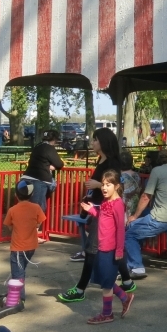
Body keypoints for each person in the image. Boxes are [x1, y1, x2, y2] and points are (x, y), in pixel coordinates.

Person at [58, 128, 130, 302]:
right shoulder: (101, 160)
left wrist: (98, 185)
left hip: (105, 211)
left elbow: (116, 185)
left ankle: (80, 289)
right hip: (96, 208)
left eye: (95, 140)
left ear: (103, 142)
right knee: (100, 249)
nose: (92, 143)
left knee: (91, 250)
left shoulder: (112, 162)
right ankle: (126, 282)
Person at [80, 170, 133, 324]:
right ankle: (125, 297)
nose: (104, 188)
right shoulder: (105, 202)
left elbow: (121, 229)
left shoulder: (117, 204)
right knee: (103, 279)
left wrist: (119, 250)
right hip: (101, 247)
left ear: (116, 186)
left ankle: (107, 313)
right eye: (103, 184)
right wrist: (92, 210)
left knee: (106, 284)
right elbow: (103, 217)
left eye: (108, 185)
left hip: (111, 249)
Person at [125, 149, 167, 278]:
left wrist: (134, 215)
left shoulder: (157, 171)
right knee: (133, 227)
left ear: (157, 159)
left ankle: (136, 267)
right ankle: (131, 262)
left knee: (130, 233)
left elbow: (146, 196)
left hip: (160, 219)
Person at [3, 180, 46, 301]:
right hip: (31, 247)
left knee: (18, 274)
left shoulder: (13, 210)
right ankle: (16, 293)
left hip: (18, 247)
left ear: (16, 195)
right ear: (31, 195)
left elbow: (9, 226)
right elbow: (40, 221)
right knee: (20, 271)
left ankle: (18, 298)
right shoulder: (36, 207)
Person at [22, 129, 64, 206]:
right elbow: (59, 164)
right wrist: (51, 166)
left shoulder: (37, 146)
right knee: (38, 208)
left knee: (26, 206)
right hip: (40, 180)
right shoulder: (49, 148)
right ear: (54, 139)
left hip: (26, 178)